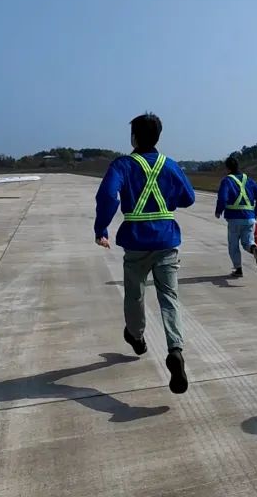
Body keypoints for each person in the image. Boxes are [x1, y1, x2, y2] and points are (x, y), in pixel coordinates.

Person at [94, 113, 196, 394]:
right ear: (158, 137)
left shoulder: (123, 165)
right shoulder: (170, 165)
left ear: (134, 137)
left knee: (135, 294)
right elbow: (189, 197)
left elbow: (107, 196)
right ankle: (175, 349)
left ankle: (136, 337)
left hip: (137, 244)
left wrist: (101, 228)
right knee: (170, 298)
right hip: (166, 242)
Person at [214, 156, 257, 277]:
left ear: (227, 168)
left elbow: (222, 198)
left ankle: (238, 269)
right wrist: (255, 213)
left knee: (233, 245)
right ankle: (253, 249)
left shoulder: (227, 181)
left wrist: (218, 211)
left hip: (234, 218)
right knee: (247, 242)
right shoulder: (249, 180)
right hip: (249, 218)